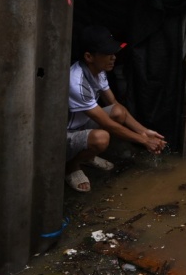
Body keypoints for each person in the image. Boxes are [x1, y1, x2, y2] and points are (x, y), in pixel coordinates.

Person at [65, 25, 166, 192]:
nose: (113, 58)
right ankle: (72, 166)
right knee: (101, 138)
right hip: (65, 133)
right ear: (89, 56)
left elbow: (115, 106)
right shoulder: (76, 82)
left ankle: (87, 156)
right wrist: (144, 141)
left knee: (117, 112)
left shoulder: (99, 70)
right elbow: (108, 125)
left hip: (82, 124)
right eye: (107, 54)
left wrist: (144, 131)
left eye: (114, 53)